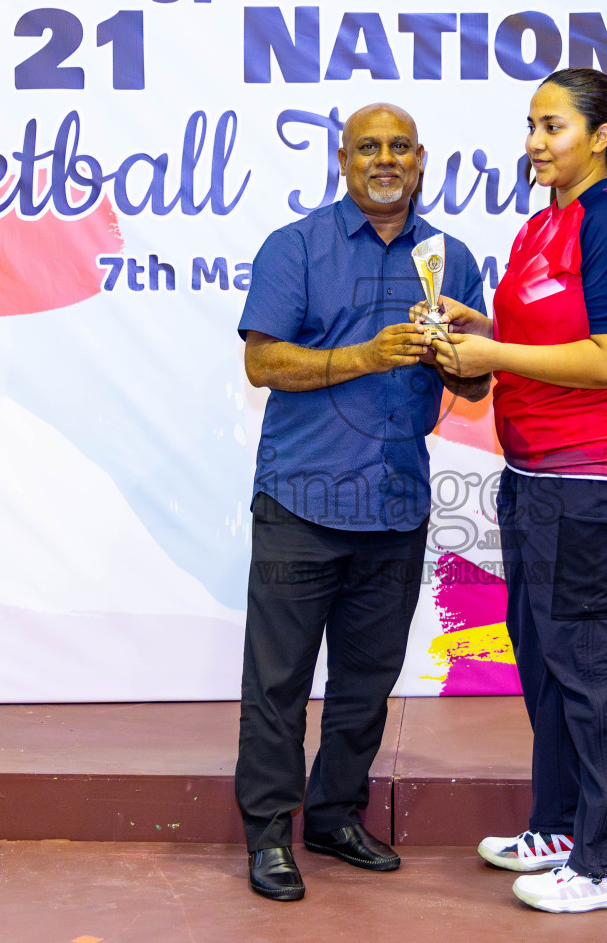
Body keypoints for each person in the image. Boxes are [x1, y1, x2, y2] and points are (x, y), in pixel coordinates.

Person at [427, 68, 607, 913]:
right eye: (532, 125)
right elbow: (546, 336)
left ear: (602, 135)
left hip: (598, 480)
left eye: (556, 126)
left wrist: (494, 359)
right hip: (534, 475)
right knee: (545, 658)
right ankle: (565, 825)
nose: (537, 141)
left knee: (593, 667)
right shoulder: (545, 224)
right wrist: (481, 330)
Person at [235, 103, 490, 902]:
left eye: (400, 147)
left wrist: (460, 357)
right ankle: (270, 834)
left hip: (396, 506)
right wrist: (363, 356)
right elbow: (264, 363)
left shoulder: (452, 258)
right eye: (369, 147)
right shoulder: (295, 248)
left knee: (366, 680)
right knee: (278, 683)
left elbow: (478, 384)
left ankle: (335, 815)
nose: (386, 159)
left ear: (422, 160)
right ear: (343, 160)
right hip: (301, 502)